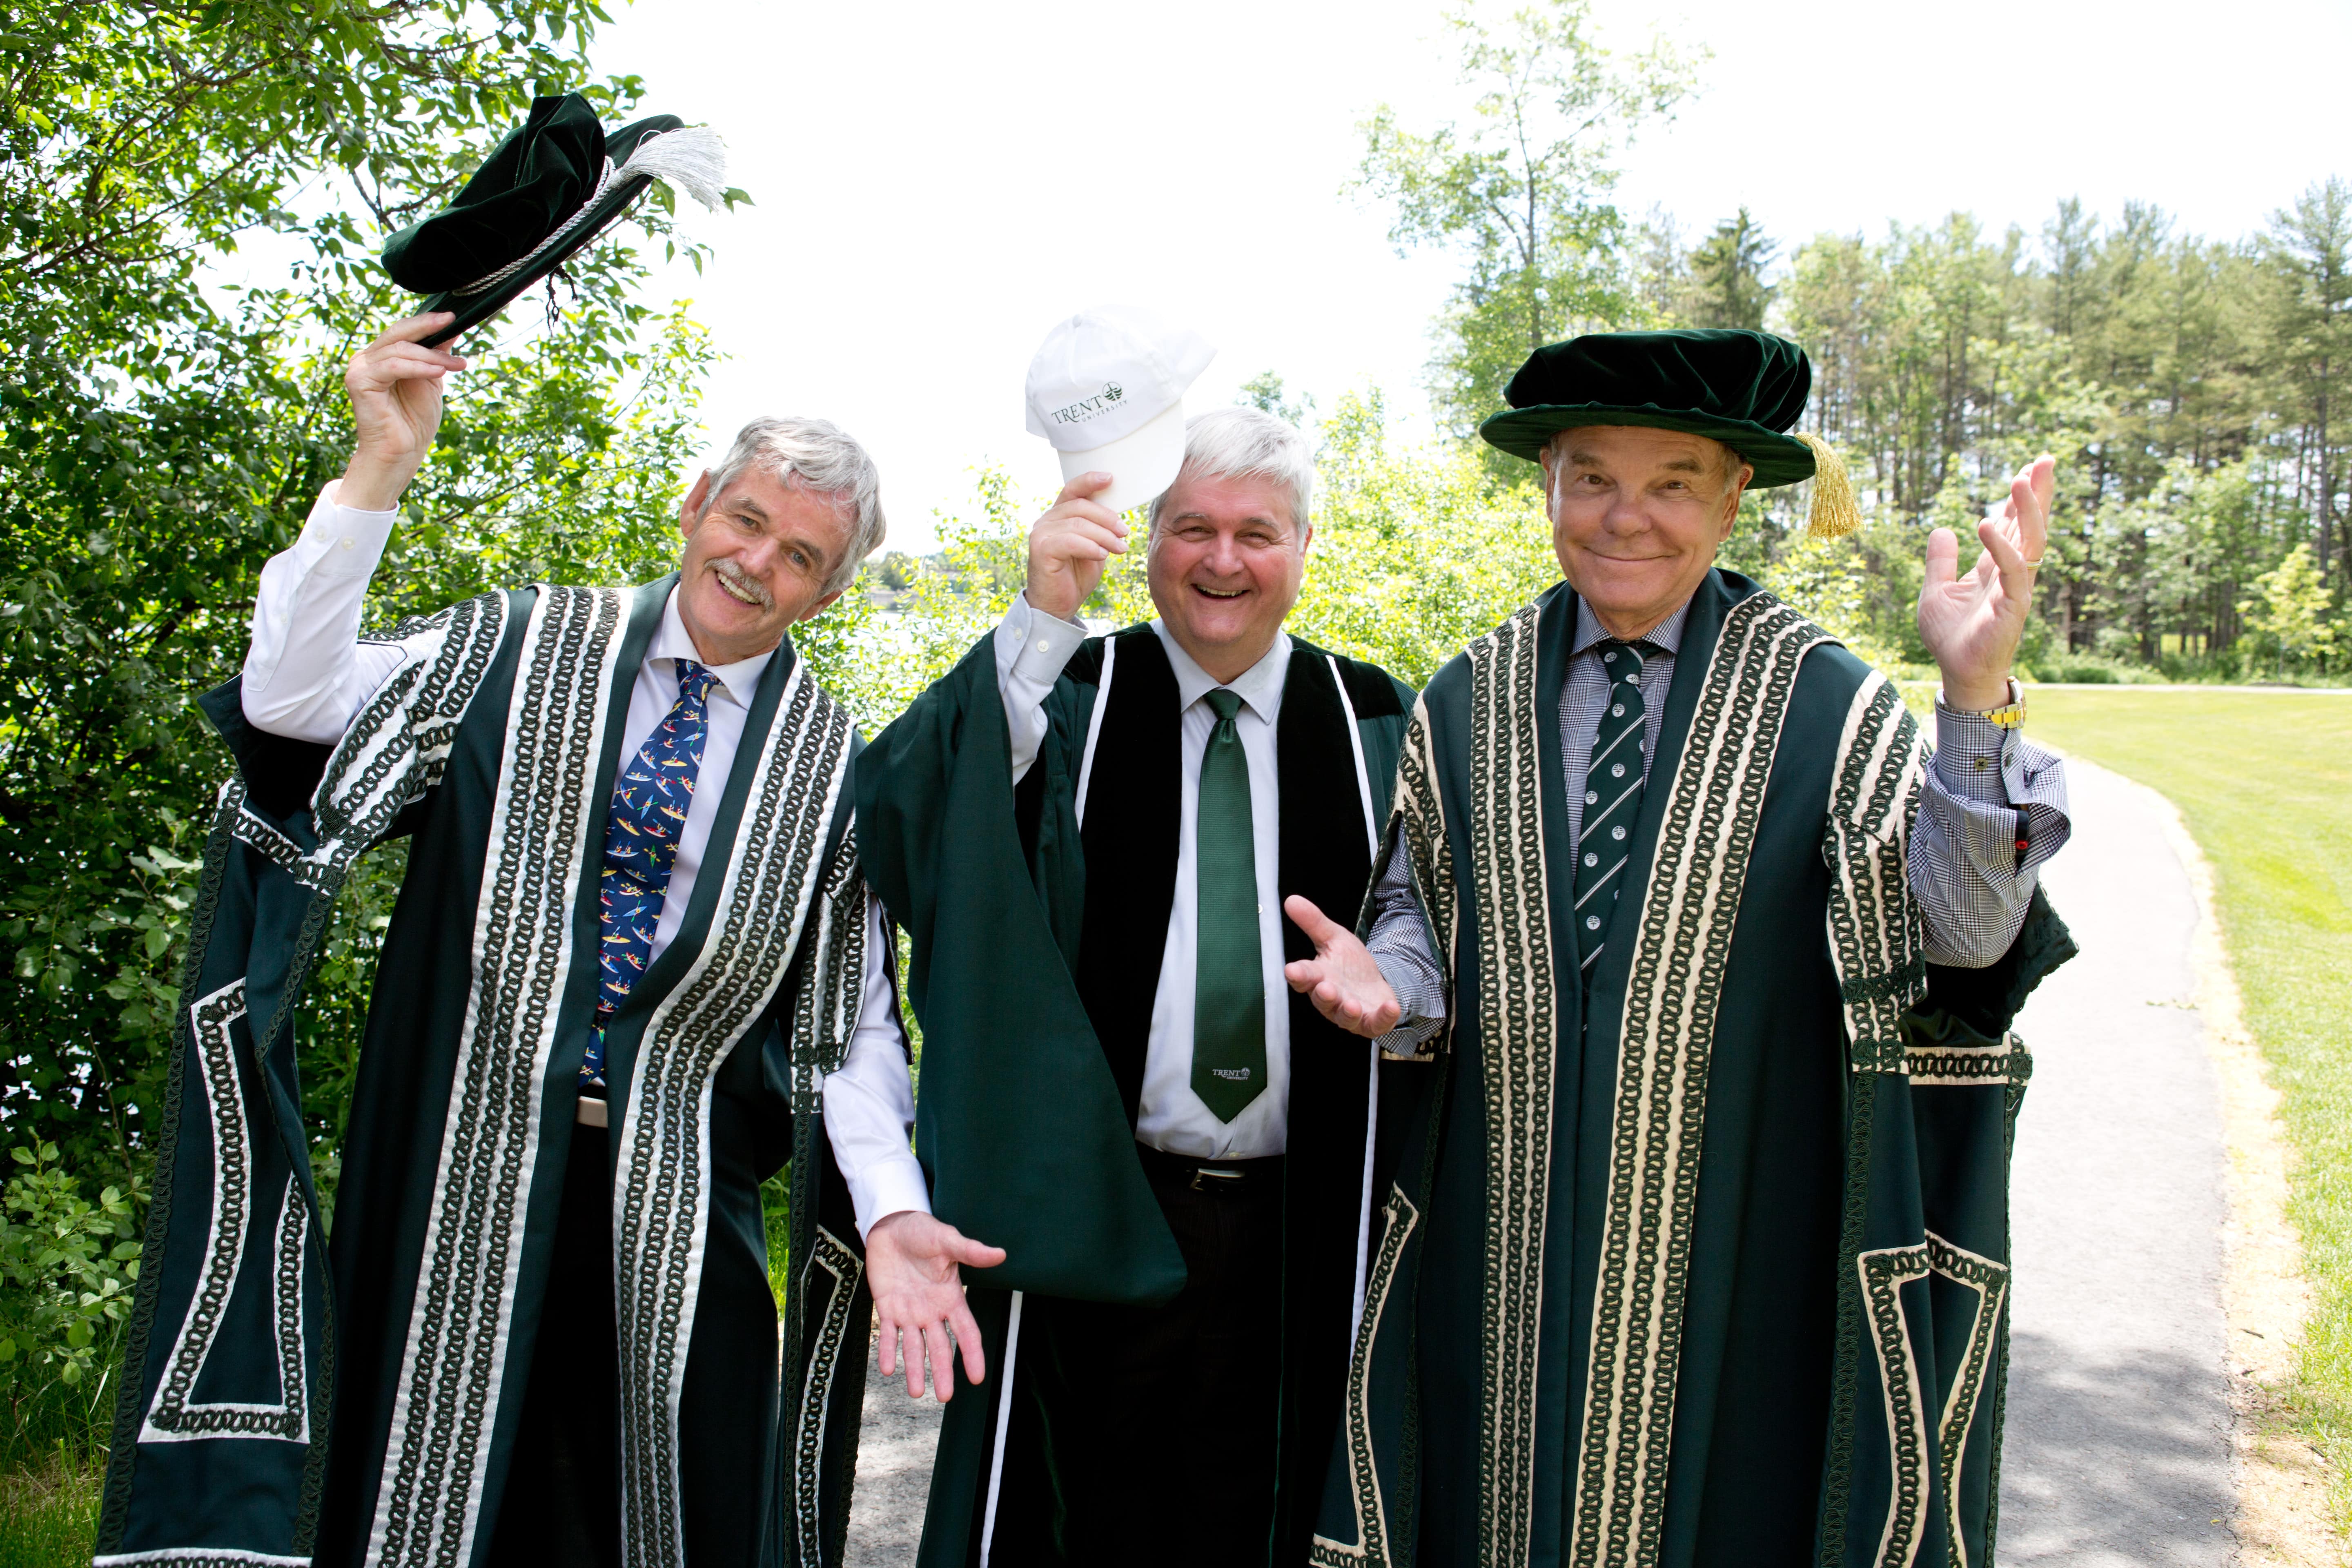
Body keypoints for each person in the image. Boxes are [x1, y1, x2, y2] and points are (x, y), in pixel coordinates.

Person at [96, 312, 996, 1568]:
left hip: (679, 1222)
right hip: (450, 1180)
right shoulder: (512, 644)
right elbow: (291, 706)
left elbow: (849, 1025)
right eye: (745, 521)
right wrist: (377, 475)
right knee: (418, 1517)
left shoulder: (834, 770)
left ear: (829, 593)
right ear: (696, 505)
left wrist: (895, 1212)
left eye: (798, 556)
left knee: (657, 1528)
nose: (755, 564)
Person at [1295, 328, 2078, 1568]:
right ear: (1547, 481)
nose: (1626, 517)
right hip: (1501, 1249)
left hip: (1742, 1250)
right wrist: (1398, 982)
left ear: (1733, 499)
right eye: (1594, 475)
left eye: (1672, 481)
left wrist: (1974, 701)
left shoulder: (1826, 699)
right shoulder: (1467, 696)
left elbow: (1966, 935)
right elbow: (1417, 914)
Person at [855, 406, 1420, 1568]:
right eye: (1191, 528)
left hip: (1304, 1217)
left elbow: (1442, 923)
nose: (1223, 561)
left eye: (1257, 533)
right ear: (1147, 541)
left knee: (1255, 1512)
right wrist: (1041, 613)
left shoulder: (1375, 722)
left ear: (1306, 548)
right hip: (1099, 1204)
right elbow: (913, 818)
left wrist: (1400, 983)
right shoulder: (1069, 689)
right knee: (1085, 1516)